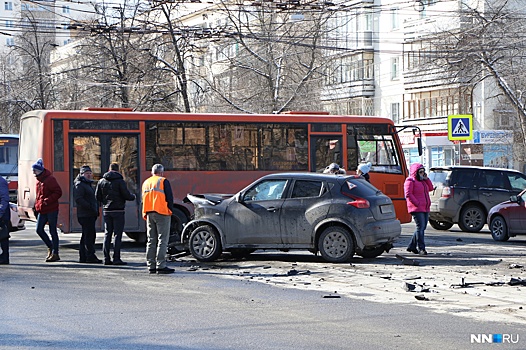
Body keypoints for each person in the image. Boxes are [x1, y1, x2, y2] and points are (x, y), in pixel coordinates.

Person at [95, 163, 136, 266]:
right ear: (118, 170)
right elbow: (126, 195)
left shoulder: (101, 181)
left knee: (107, 234)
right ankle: (116, 258)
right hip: (118, 210)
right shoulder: (120, 181)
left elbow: (97, 196)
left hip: (107, 211)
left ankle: (106, 258)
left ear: (109, 169)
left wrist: (105, 202)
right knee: (117, 235)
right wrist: (133, 197)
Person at [142, 164, 175, 275]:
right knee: (162, 240)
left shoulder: (146, 182)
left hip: (149, 212)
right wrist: (170, 210)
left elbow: (143, 199)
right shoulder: (163, 181)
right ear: (161, 172)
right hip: (162, 212)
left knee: (151, 239)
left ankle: (150, 265)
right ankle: (160, 265)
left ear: (152, 172)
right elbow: (169, 197)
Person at [32, 158, 63, 262]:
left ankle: (55, 253)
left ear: (40, 170)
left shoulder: (50, 179)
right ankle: (51, 246)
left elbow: (58, 192)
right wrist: (36, 205)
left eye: (35, 170)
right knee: (39, 229)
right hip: (42, 209)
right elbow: (38, 195)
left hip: (51, 208)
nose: (33, 172)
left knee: (52, 231)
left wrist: (47, 201)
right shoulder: (38, 181)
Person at [73, 165, 101, 264]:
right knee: (89, 236)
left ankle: (84, 256)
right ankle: (89, 256)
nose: (89, 175)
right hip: (85, 214)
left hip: (89, 213)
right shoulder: (80, 184)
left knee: (87, 235)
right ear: (82, 174)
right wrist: (90, 206)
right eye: (87, 173)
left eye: (90, 173)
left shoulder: (87, 184)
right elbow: (79, 199)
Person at [404, 163, 433, 255]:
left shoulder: (423, 181)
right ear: (415, 172)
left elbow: (431, 188)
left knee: (422, 227)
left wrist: (426, 179)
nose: (422, 173)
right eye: (420, 172)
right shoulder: (410, 181)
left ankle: (412, 246)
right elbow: (408, 194)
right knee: (420, 227)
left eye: (423, 172)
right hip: (416, 208)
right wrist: (417, 203)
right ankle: (421, 248)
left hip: (425, 207)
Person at [0, 176, 11, 264]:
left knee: (3, 236)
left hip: (2, 214)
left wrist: (0, 212)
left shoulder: (1, 182)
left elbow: (4, 199)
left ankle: (4, 257)